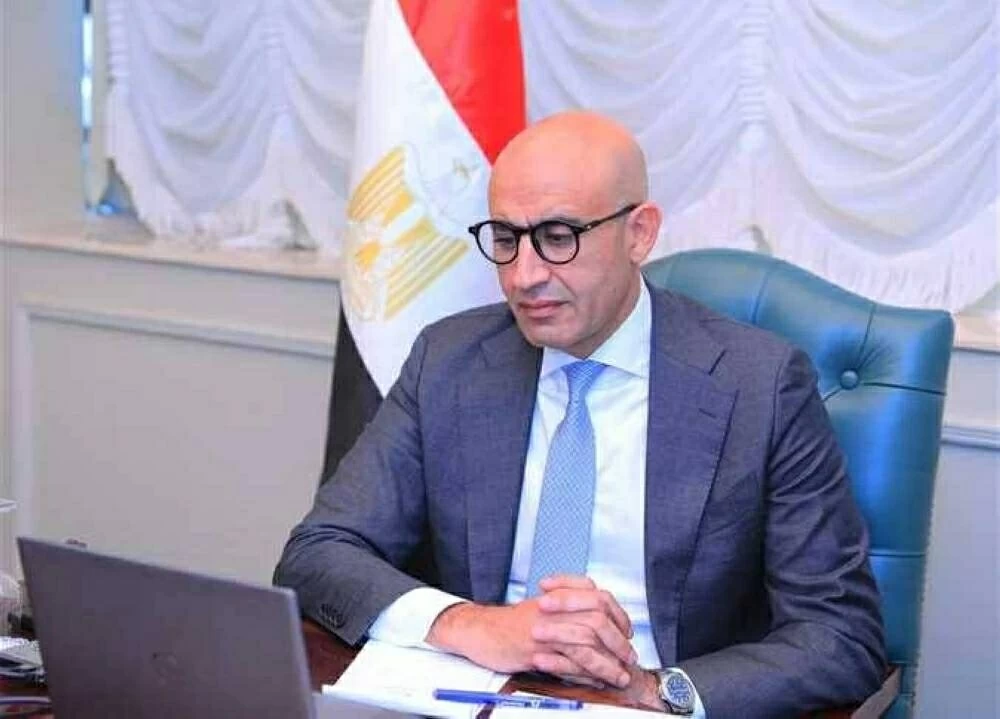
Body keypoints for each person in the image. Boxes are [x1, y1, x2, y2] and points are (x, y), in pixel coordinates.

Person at [274, 111, 886, 717]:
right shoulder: (451, 360)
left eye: (559, 237)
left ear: (639, 234)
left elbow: (840, 635)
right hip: (476, 693)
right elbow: (319, 551)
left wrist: (655, 690)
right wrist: (471, 624)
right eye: (506, 239)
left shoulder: (759, 386)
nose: (524, 276)